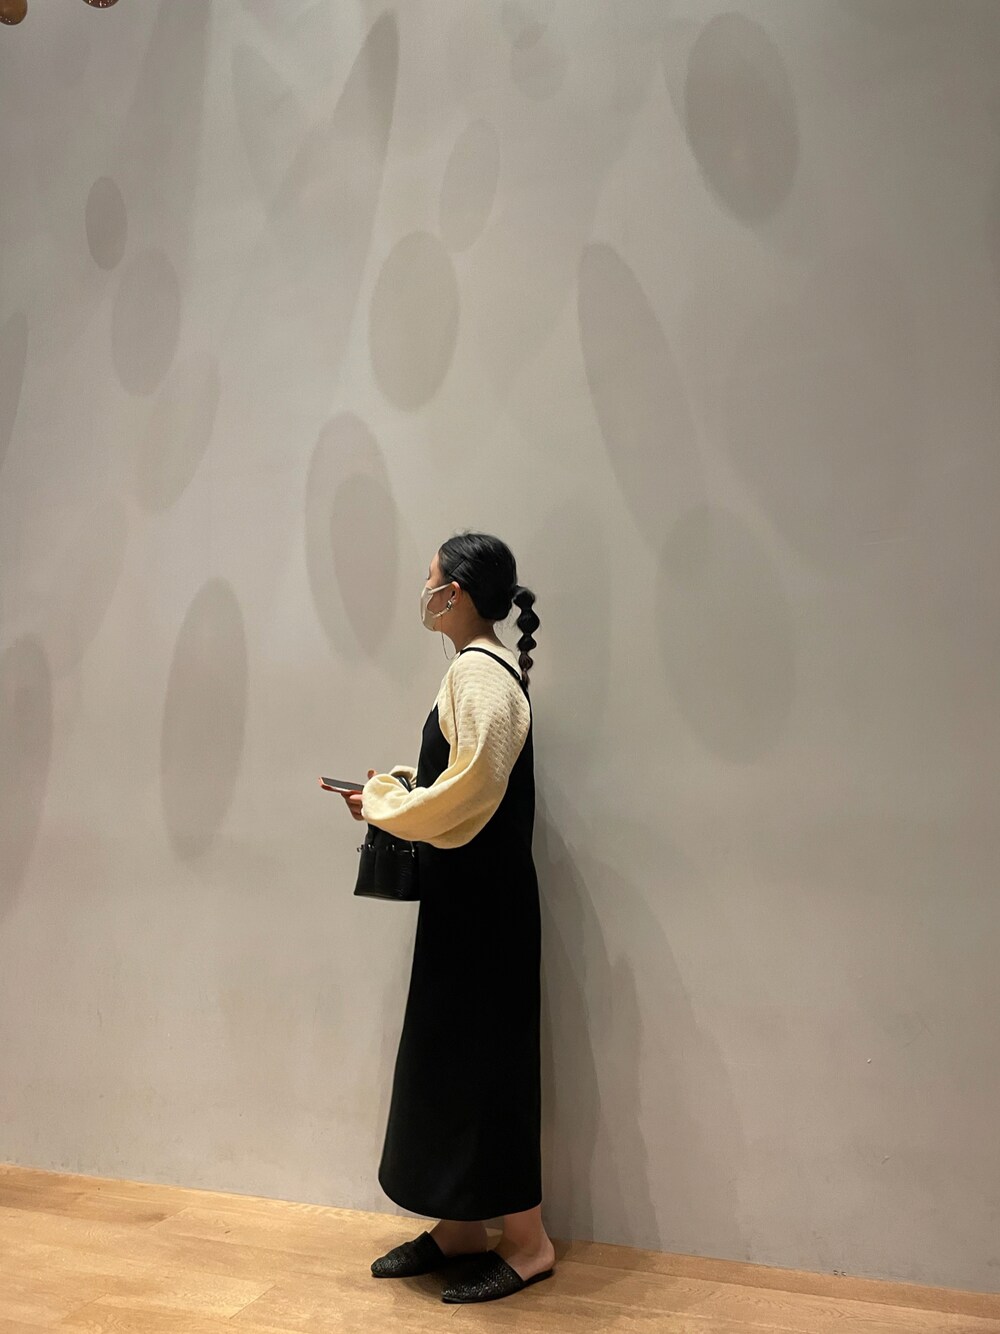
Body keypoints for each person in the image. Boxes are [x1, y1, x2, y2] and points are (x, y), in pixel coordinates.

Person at [336, 530, 555, 1304]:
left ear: (454, 593)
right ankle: (462, 1229)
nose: (423, 592)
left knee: (489, 1065)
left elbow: (471, 794)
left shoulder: (479, 674)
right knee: (450, 1062)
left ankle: (528, 1245)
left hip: (485, 913)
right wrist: (398, 790)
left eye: (429, 579)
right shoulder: (477, 670)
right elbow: (461, 781)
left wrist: (389, 805)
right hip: (473, 906)